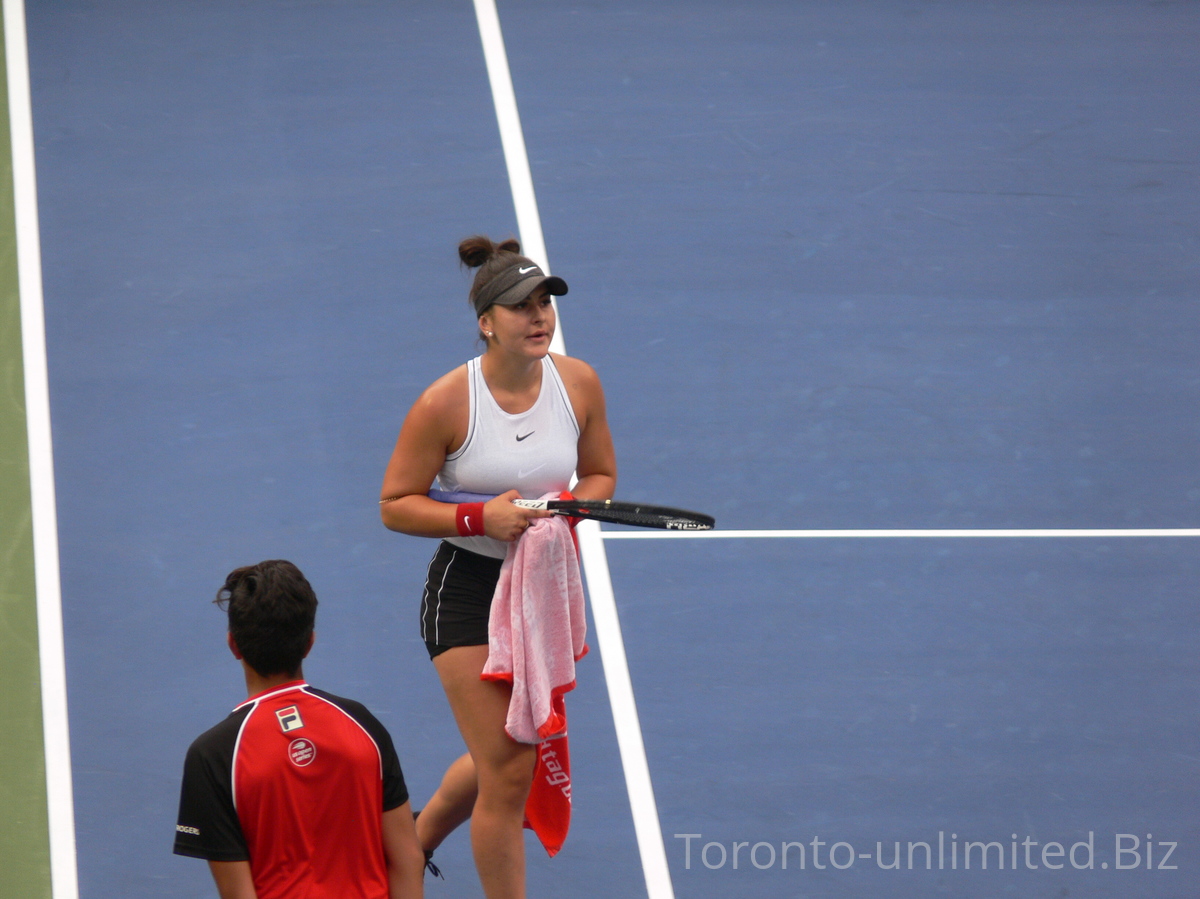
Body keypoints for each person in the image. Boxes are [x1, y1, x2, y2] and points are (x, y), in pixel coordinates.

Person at [379, 235, 617, 899]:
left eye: (545, 301)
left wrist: (569, 509)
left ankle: (411, 840)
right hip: (466, 592)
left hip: (538, 591)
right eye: (520, 306)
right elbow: (394, 504)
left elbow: (599, 472)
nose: (538, 315)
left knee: (503, 754)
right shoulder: (446, 403)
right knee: (511, 768)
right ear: (487, 322)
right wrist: (477, 518)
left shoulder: (580, 383)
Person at [173, 560, 426, 899]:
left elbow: (238, 894)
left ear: (233, 644)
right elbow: (407, 858)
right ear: (309, 642)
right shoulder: (362, 723)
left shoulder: (212, 755)